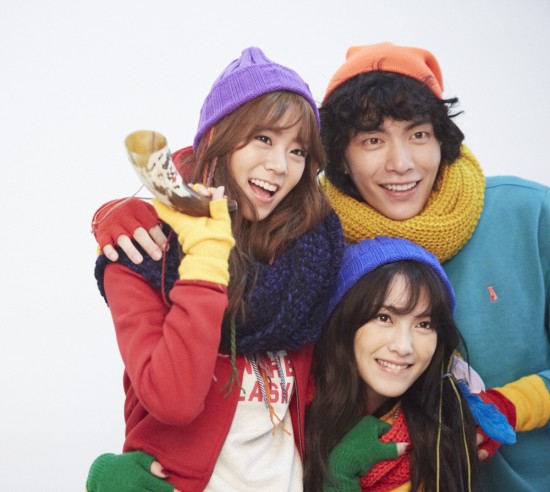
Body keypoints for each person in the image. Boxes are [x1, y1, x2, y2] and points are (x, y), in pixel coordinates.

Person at [92, 43, 550, 491]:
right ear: (339, 161)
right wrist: (133, 214)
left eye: (419, 135)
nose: (401, 162)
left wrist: (512, 404)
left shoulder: (316, 254)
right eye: (373, 140)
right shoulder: (321, 247)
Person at [86, 47, 343, 491]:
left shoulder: (310, 256)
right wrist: (206, 255)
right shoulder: (143, 255)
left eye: (298, 150)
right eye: (263, 138)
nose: (280, 166)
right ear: (218, 137)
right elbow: (174, 400)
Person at [304, 236, 516, 492]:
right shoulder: (287, 415)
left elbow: (528, 398)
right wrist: (340, 470)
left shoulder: (446, 423)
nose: (404, 346)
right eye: (384, 317)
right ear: (342, 321)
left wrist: (340, 472)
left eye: (424, 324)